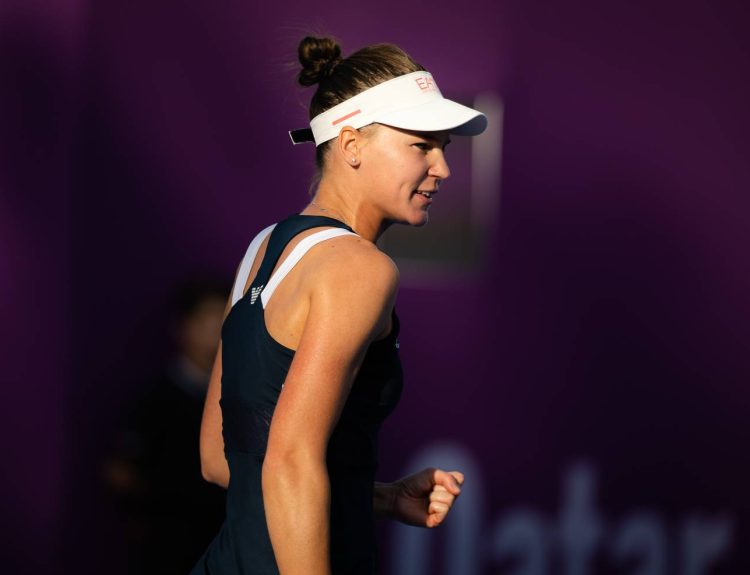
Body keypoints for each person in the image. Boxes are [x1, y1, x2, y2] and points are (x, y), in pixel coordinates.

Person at [191, 36, 488, 574]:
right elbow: (288, 461)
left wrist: (379, 498)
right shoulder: (361, 268)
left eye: (443, 147)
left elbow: (221, 458)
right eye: (421, 146)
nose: (443, 168)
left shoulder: (262, 247)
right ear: (351, 143)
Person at [105, 278, 228, 574]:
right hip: (169, 545)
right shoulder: (155, 399)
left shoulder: (238, 397)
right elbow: (121, 472)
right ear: (182, 327)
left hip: (223, 541)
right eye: (206, 319)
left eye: (222, 318)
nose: (215, 330)